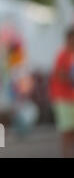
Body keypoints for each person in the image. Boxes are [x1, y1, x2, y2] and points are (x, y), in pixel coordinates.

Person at [49, 26, 74, 157]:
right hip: (63, 98)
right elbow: (58, 75)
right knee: (66, 131)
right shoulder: (62, 55)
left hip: (71, 98)